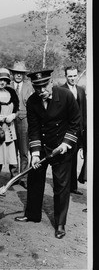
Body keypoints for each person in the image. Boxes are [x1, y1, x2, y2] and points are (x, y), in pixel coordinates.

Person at [14, 69, 80, 239]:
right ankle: (32, 214)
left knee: (61, 185)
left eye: (44, 86)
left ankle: (60, 223)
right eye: (37, 88)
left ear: (51, 83)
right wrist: (35, 153)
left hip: (62, 147)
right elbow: (34, 128)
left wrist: (66, 144)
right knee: (35, 180)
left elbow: (75, 123)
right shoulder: (32, 101)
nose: (41, 91)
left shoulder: (66, 96)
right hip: (42, 146)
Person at [61, 66, 87, 195]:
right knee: (65, 159)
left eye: (74, 75)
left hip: (78, 130)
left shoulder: (81, 90)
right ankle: (63, 186)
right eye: (70, 76)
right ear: (66, 76)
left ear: (77, 75)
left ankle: (73, 187)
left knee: (75, 158)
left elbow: (84, 112)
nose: (72, 78)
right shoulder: (60, 90)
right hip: (65, 131)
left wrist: (84, 130)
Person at [8, 61, 34, 189]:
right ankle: (14, 176)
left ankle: (24, 177)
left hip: (24, 120)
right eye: (16, 73)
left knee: (24, 149)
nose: (18, 75)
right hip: (10, 120)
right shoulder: (8, 85)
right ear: (12, 74)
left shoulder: (29, 86)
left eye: (21, 73)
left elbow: (33, 103)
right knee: (12, 149)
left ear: (24, 75)